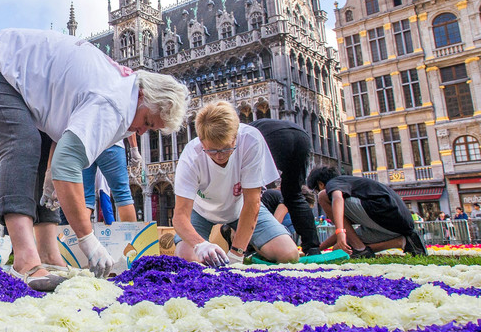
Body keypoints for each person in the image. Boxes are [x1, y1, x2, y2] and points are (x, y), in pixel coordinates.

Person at [0, 29, 189, 290]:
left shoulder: (125, 93)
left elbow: (64, 132)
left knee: (42, 150)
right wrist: (87, 240)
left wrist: (50, 181)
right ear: (142, 96)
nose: (142, 132)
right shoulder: (114, 103)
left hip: (26, 89)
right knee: (23, 143)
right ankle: (24, 259)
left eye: (151, 129)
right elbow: (66, 165)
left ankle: (48, 255)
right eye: (147, 122)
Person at [173, 101, 299, 267]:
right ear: (202, 142)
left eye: (226, 149)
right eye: (212, 150)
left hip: (241, 208)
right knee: (186, 259)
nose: (219, 156)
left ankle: (252, 252)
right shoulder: (190, 157)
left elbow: (252, 202)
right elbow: (180, 216)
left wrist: (237, 253)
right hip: (201, 210)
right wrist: (200, 245)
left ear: (235, 137)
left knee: (288, 254)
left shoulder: (251, 140)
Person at [306, 166, 426, 257]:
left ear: (321, 184)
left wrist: (340, 233)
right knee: (344, 248)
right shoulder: (351, 187)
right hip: (396, 225)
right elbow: (346, 226)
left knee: (323, 196)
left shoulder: (335, 182)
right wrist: (318, 249)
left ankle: (360, 248)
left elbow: (337, 198)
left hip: (384, 212)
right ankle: (404, 242)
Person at [250, 118, 321, 255]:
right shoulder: (249, 128)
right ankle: (312, 247)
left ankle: (250, 247)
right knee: (294, 195)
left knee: (252, 192)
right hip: (301, 135)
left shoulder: (241, 136)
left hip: (272, 138)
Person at [81, 134, 140, 223]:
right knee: (122, 195)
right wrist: (134, 148)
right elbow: (130, 122)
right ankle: (132, 235)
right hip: (112, 142)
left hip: (85, 144)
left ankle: (83, 236)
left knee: (85, 198)